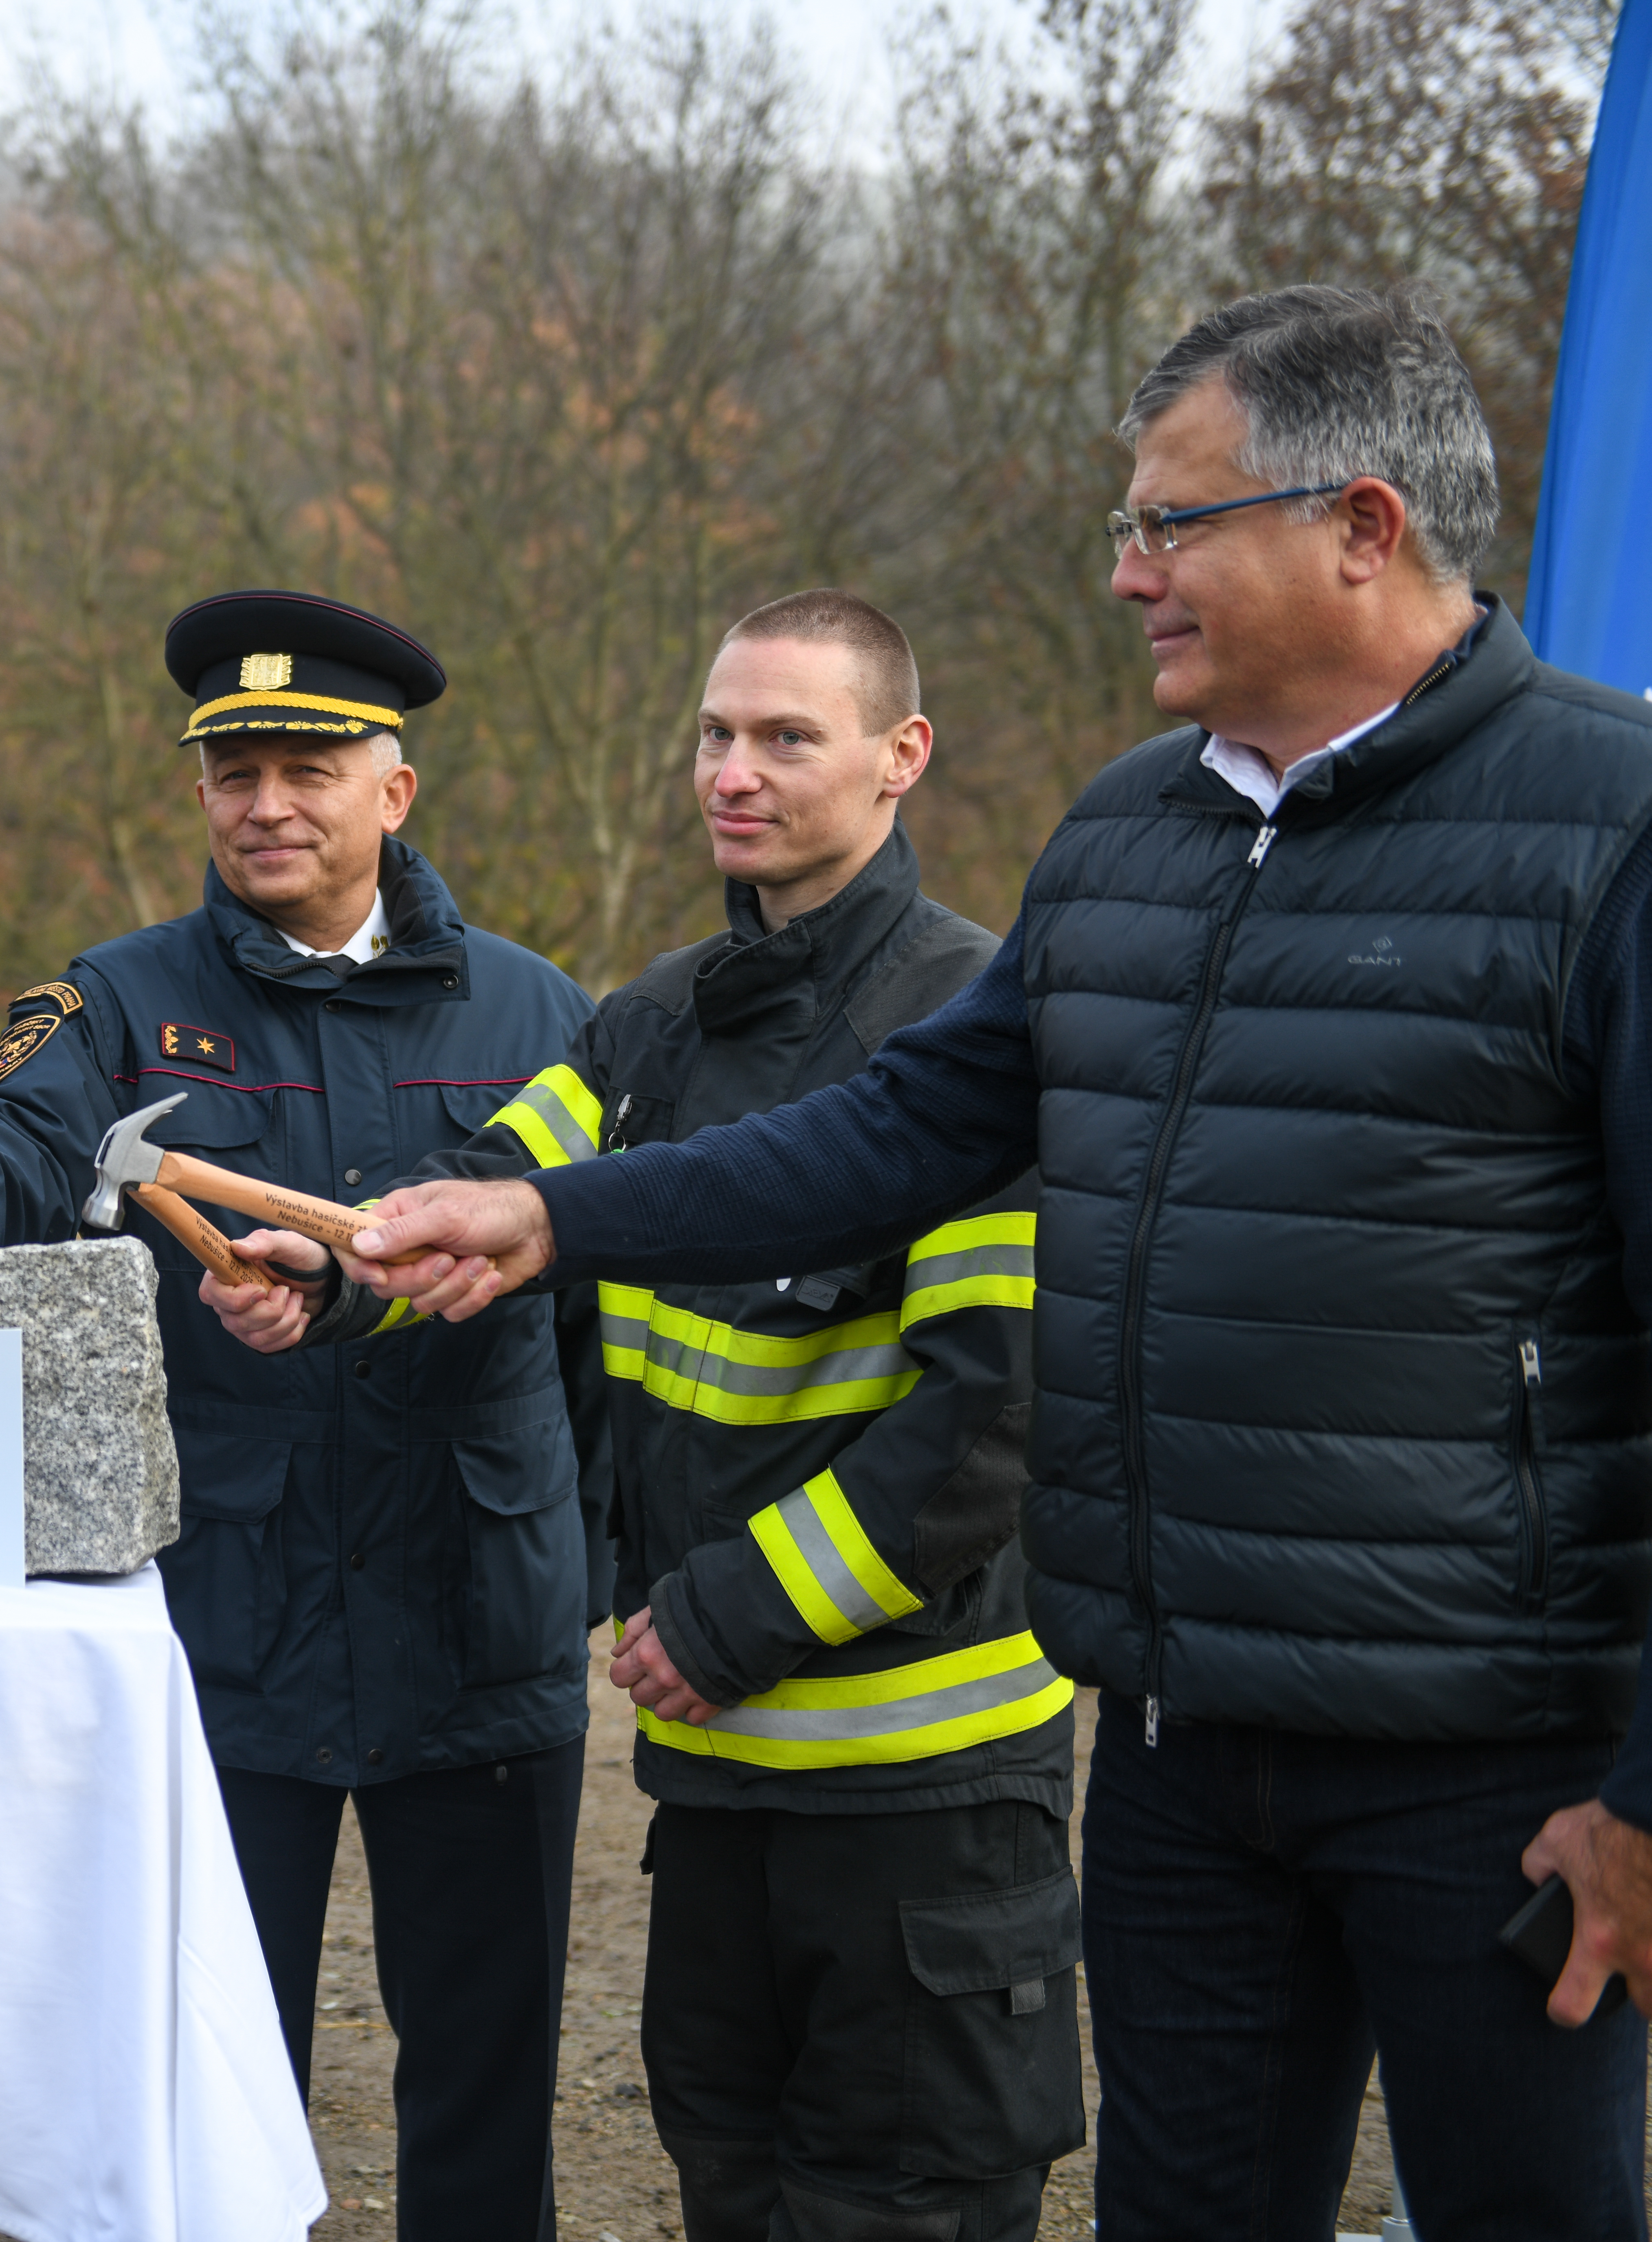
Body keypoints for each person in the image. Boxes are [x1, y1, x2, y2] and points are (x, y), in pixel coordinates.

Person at [341, 287, 1652, 2238]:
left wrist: (1646, 1801)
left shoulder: (1612, 824)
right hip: (1177, 1750)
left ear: (1362, 526)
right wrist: (555, 1216)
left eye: (1171, 523)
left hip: (1498, 1767)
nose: (1127, 572)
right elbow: (888, 1134)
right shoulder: (1124, 836)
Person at [218, 589, 1079, 2240]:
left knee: (903, 2206)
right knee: (727, 2186)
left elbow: (989, 1416)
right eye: (714, 733)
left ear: (901, 757)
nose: (731, 773)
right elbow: (487, 1190)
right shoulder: (659, 1017)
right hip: (717, 1778)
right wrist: (329, 1272)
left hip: (921, 1798)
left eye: (787, 737)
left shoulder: (972, 1022)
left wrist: (733, 1616)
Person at [0, 589, 601, 2238]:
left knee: (487, 2078)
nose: (265, 804)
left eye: (307, 769)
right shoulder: (124, 999)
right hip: (224, 1620)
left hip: (478, 1612)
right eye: (233, 773)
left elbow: (594, 1323)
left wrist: (587, 1559)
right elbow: (23, 1126)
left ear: (392, 791)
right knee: (202, 2071)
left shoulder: (542, 1014)